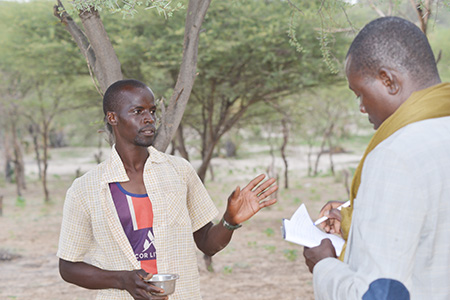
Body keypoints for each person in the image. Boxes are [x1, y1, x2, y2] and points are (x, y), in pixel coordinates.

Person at [57, 79, 278, 300]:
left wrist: (230, 220)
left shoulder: (179, 172)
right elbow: (68, 267)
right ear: (112, 118)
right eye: (138, 111)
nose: (149, 119)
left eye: (152, 111)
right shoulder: (86, 188)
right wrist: (122, 280)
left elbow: (207, 244)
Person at [303, 16, 450, 299]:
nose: (361, 107)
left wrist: (323, 264)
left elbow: (378, 294)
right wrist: (352, 221)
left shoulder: (395, 155)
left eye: (359, 92)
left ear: (388, 80)